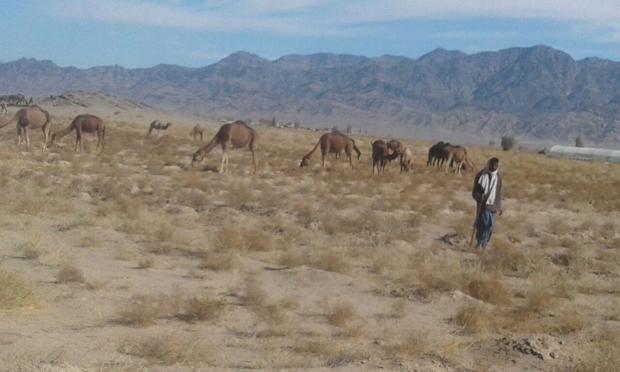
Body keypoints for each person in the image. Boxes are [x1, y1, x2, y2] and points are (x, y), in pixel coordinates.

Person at [471, 157, 503, 251]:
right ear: (488, 164)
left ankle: (484, 244)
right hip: (483, 205)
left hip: (494, 205)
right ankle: (480, 243)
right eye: (492, 165)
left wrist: (499, 207)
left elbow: (498, 193)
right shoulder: (481, 175)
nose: (493, 167)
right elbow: (474, 192)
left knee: (490, 227)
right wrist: (479, 197)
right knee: (484, 225)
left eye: (495, 165)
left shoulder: (498, 177)